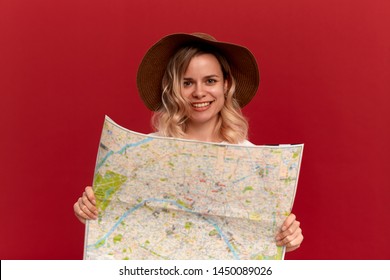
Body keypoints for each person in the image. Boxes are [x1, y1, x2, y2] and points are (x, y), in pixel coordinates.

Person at [73, 33, 303, 253]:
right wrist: (91, 210)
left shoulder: (252, 160)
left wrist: (285, 238)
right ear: (174, 89)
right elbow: (116, 218)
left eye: (210, 81)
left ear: (226, 84)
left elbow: (260, 238)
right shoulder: (143, 153)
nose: (199, 92)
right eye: (187, 83)